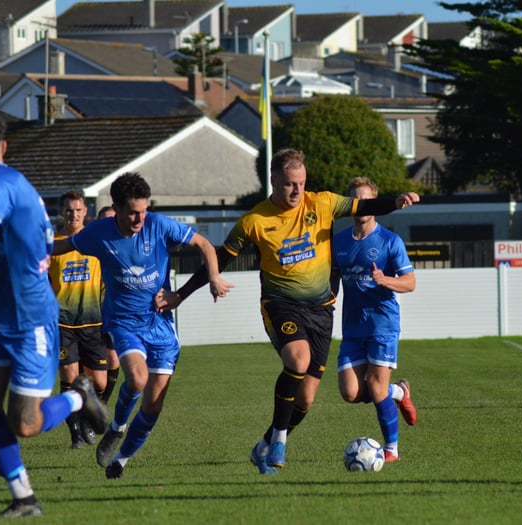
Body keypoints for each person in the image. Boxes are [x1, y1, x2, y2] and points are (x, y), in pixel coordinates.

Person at [155, 148, 419, 475]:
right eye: (289, 184)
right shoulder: (255, 220)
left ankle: (263, 446)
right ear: (274, 181)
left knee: (305, 399)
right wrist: (181, 294)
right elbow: (221, 257)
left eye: (302, 183)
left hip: (321, 312)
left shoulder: (321, 203)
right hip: (280, 305)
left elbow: (364, 206)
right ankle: (280, 440)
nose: (297, 191)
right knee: (297, 359)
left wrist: (395, 202)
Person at [53, 172, 233, 480]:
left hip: (160, 324)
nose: (139, 218)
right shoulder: (98, 233)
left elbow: (204, 243)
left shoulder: (158, 225)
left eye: (143, 211)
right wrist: (18, 249)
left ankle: (121, 459)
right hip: (123, 323)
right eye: (133, 212)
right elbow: (60, 247)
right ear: (118, 208)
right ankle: (117, 426)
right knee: (135, 380)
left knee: (153, 405)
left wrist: (213, 277)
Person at [0, 109, 109, 518]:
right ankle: (23, 497)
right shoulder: (15, 188)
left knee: (25, 423)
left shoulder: (0, 184)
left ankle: (79, 396)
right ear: (6, 145)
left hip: (29, 320)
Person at [332, 177, 417, 463]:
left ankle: (392, 449)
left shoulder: (390, 241)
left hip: (383, 324)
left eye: (368, 201)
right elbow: (332, 279)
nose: (362, 207)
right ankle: (399, 392)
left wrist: (386, 280)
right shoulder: (338, 241)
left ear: (375, 205)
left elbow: (410, 282)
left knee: (376, 387)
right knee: (350, 392)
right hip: (353, 327)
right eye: (357, 201)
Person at [50, 191, 108, 449]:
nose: (73, 214)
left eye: (78, 210)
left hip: (92, 321)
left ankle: (86, 417)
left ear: (86, 212)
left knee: (100, 382)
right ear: (62, 212)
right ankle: (75, 432)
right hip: (62, 321)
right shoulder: (51, 243)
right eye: (69, 210)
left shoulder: (95, 240)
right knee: (71, 377)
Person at [96, 205, 121, 406]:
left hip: (111, 313)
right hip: (87, 314)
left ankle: (101, 403)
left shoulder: (122, 247)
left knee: (113, 359)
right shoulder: (88, 244)